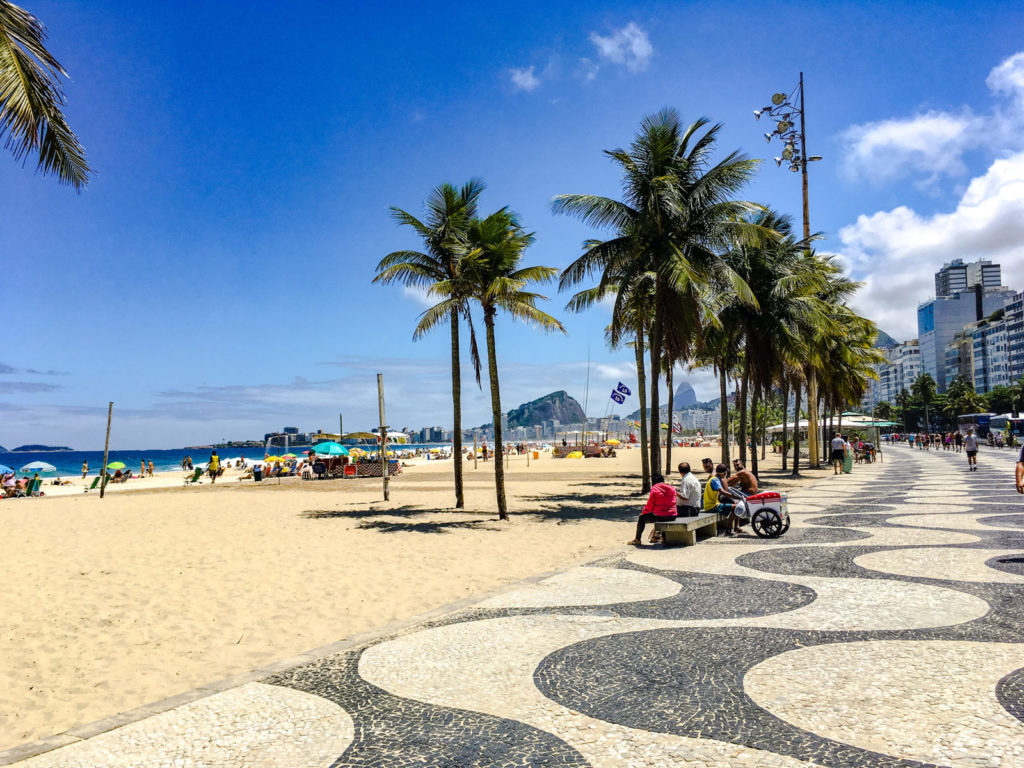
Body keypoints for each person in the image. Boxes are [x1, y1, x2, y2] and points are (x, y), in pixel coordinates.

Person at [627, 473, 677, 546]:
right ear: (663, 480)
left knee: (642, 518)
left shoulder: (654, 488)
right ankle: (663, 537)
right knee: (662, 517)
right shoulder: (672, 488)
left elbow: (650, 505)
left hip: (660, 515)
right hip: (672, 515)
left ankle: (637, 539)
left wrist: (643, 512)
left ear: (653, 481)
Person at [704, 463, 741, 535]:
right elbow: (723, 492)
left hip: (713, 504)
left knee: (734, 505)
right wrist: (736, 497)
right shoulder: (715, 480)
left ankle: (734, 528)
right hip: (712, 507)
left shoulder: (715, 478)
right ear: (724, 473)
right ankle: (728, 530)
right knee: (736, 507)